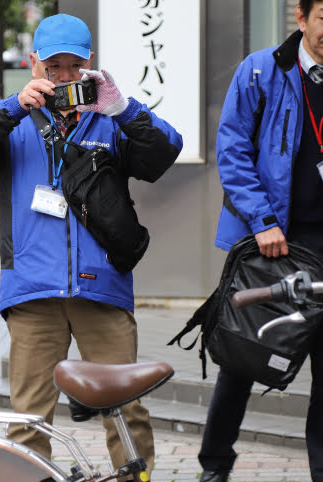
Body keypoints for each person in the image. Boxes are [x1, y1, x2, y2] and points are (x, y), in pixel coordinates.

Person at [0, 13, 183, 480]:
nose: (61, 77)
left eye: (72, 66)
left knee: (127, 412)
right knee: (29, 420)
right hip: (33, 292)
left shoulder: (110, 120)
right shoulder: (12, 119)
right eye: (52, 67)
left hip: (103, 289)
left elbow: (165, 153)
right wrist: (15, 105)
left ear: (88, 63)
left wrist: (124, 109)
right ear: (33, 62)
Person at [199, 1, 323, 481]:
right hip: (275, 240)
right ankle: (215, 464)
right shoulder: (261, 72)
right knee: (244, 354)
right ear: (302, 16)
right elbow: (232, 150)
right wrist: (262, 221)